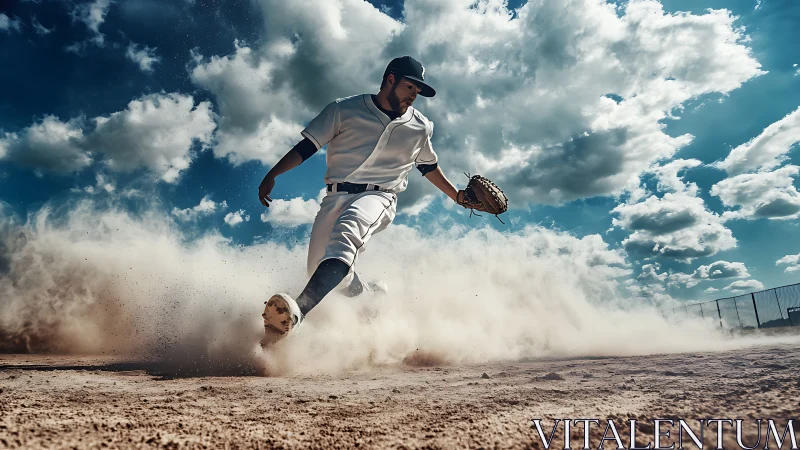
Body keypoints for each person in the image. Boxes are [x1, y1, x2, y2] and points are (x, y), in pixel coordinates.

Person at [257, 56, 480, 344]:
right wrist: (273, 173)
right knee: (321, 268)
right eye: (410, 86)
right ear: (391, 79)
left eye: (418, 90)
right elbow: (308, 146)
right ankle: (370, 296)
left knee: (345, 238)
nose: (415, 95)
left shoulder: (420, 126)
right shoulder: (343, 109)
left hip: (380, 195)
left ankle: (298, 312)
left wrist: (458, 196)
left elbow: (428, 166)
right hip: (335, 197)